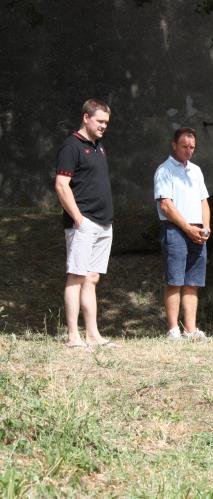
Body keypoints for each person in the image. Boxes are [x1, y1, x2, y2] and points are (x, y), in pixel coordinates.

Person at [54, 98, 115, 350]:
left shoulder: (98, 146)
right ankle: (73, 337)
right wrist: (78, 217)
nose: (103, 126)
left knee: (91, 278)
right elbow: (61, 185)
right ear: (86, 118)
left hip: (104, 223)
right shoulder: (71, 146)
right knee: (76, 277)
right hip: (84, 223)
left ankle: (93, 335)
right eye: (100, 121)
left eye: (106, 123)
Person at [154, 127, 211, 341]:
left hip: (197, 230)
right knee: (175, 280)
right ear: (174, 145)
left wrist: (205, 227)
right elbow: (166, 206)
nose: (189, 151)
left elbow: (203, 201)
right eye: (185, 146)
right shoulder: (164, 170)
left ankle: (190, 328)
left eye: (192, 147)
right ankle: (172, 330)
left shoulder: (195, 171)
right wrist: (187, 228)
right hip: (175, 230)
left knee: (192, 282)